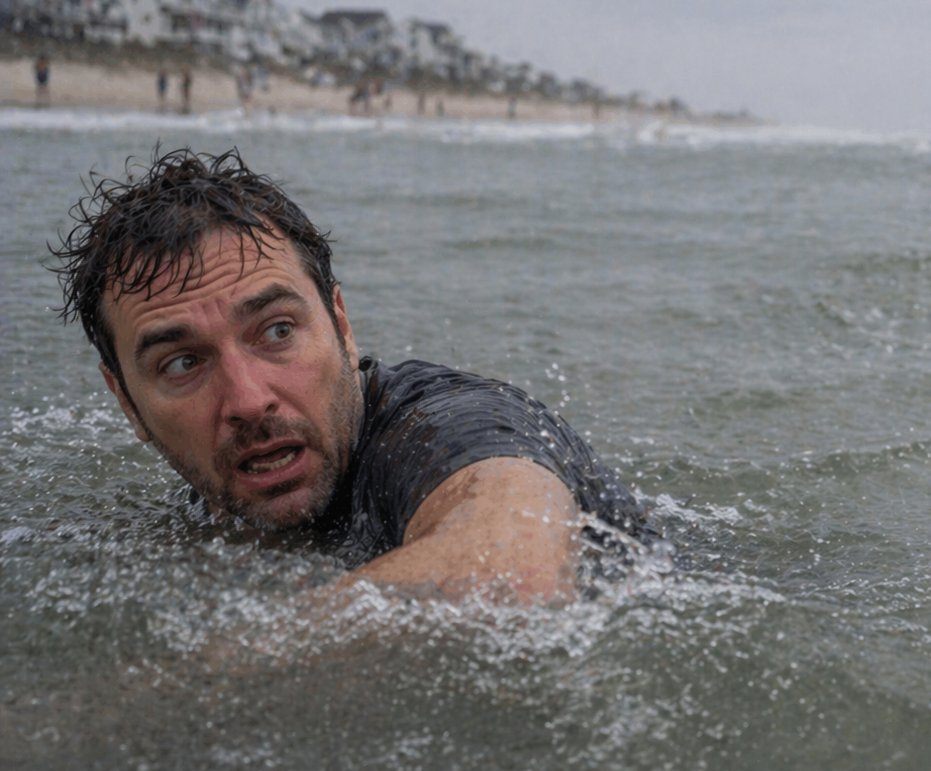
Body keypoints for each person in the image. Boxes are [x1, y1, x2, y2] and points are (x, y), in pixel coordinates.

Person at [49, 148, 652, 607]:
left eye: (277, 330)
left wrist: (195, 682)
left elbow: (514, 575)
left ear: (341, 325)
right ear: (127, 403)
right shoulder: (200, 510)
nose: (249, 400)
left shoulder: (443, 428)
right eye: (183, 363)